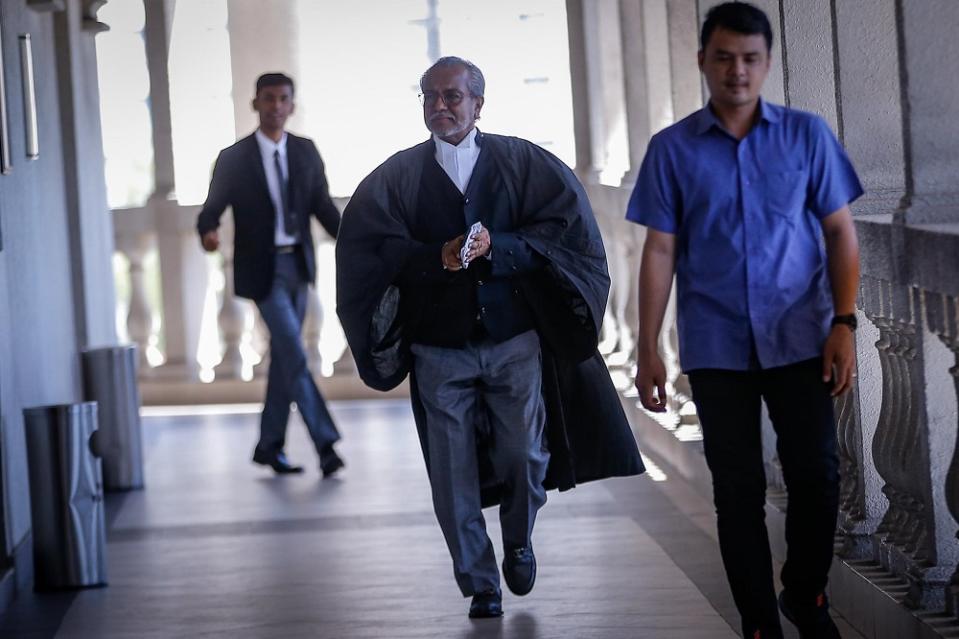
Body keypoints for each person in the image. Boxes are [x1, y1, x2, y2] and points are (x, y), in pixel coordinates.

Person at [336, 56, 644, 619]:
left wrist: (497, 248)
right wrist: (437, 256)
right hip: (438, 348)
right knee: (450, 471)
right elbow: (370, 252)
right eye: (430, 97)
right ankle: (480, 582)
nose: (440, 107)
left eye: (453, 96)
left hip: (513, 340)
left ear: (479, 103)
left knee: (524, 455)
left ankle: (520, 538)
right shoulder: (396, 178)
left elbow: (565, 233)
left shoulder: (525, 163)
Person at [627, 3, 863, 638]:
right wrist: (647, 346)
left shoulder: (806, 136)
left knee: (818, 472)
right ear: (703, 61)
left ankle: (806, 593)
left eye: (751, 59)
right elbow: (659, 250)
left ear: (767, 63)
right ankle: (759, 621)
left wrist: (845, 322)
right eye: (725, 58)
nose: (738, 71)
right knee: (737, 491)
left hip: (800, 336)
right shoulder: (672, 149)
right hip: (715, 343)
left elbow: (840, 231)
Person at [196, 72, 344, 478]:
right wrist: (207, 231)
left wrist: (352, 239)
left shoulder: (305, 152)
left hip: (298, 263)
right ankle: (326, 443)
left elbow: (322, 206)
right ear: (255, 103)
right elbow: (213, 206)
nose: (276, 106)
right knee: (294, 353)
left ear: (291, 106)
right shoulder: (235, 157)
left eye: (283, 99)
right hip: (263, 271)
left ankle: (269, 446)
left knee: (284, 356)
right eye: (268, 99)